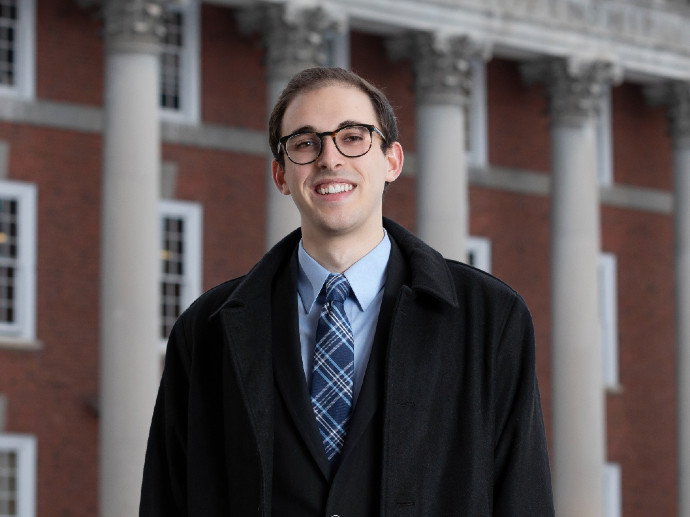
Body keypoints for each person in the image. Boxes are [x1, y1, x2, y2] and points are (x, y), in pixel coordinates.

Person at [139, 66, 554, 516]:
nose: (329, 159)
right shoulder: (205, 331)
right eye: (304, 143)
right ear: (281, 175)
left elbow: (522, 495)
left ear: (391, 161)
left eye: (352, 137)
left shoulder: (491, 318)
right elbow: (168, 498)